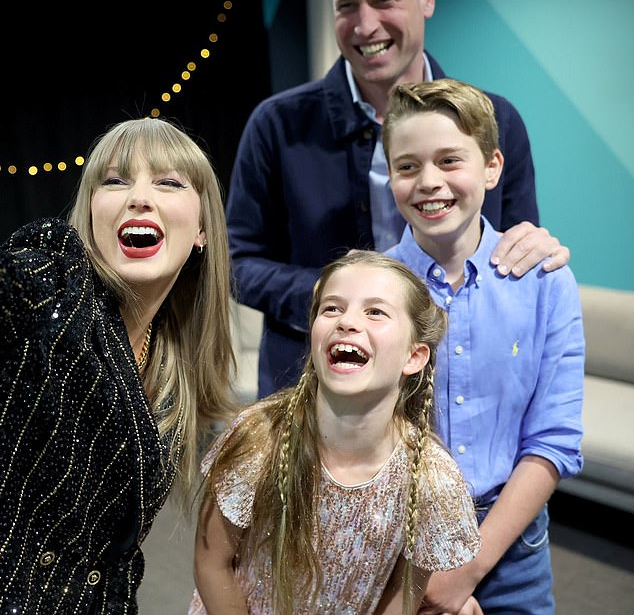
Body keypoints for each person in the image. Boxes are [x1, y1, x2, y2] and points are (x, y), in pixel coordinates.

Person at [225, 0, 571, 398]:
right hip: (312, 389)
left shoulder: (498, 121)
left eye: (384, 0)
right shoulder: (276, 124)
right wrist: (336, 296)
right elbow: (236, 262)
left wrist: (537, 247)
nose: (365, 26)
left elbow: (514, 249)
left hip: (461, 390)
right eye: (347, 6)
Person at [0, 118, 238, 613]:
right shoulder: (44, 282)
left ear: (202, 231)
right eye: (115, 180)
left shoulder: (169, 358)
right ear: (88, 215)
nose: (140, 197)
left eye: (169, 182)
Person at [382, 79, 585, 615]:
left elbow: (554, 440)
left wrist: (467, 568)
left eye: (451, 160)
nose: (429, 182)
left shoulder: (546, 282)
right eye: (407, 166)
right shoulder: (368, 285)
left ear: (492, 167)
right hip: (394, 545)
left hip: (513, 546)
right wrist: (424, 574)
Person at [189, 250, 481, 615]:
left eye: (375, 312)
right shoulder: (258, 438)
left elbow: (403, 597)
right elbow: (212, 562)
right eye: (331, 309)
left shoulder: (431, 480)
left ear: (414, 356)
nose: (347, 322)